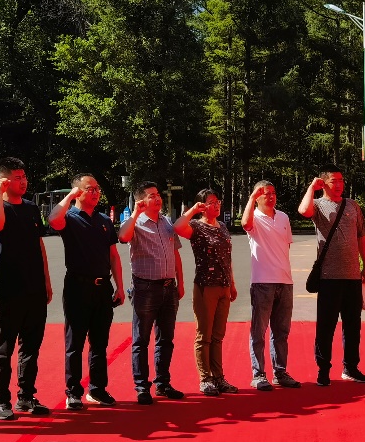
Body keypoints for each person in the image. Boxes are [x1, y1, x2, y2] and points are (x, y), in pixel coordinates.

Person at [0, 157, 54, 420]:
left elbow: (39, 245)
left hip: (34, 289)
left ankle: (26, 396)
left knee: (31, 347)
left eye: (24, 177)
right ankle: (1, 400)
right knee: (4, 348)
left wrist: (46, 280)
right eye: (17, 177)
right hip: (8, 289)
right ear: (3, 180)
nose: (23, 182)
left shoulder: (31, 208)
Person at [47, 173, 125, 411]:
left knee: (100, 342)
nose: (96, 192)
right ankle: (73, 392)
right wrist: (70, 196)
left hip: (103, 288)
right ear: (78, 192)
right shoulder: (69, 218)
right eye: (90, 189)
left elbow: (113, 255)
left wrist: (120, 287)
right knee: (75, 343)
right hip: (77, 287)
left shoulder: (104, 220)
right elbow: (53, 220)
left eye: (97, 189)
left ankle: (97, 389)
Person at [298, 165, 365, 386]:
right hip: (328, 277)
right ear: (324, 183)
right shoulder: (318, 205)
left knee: (353, 325)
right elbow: (303, 211)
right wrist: (311, 187)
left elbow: (361, 238)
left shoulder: (352, 205)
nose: (339, 184)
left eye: (341, 180)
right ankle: (323, 369)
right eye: (334, 181)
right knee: (326, 326)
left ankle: (351, 367)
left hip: (352, 276)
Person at [118, 181, 186, 404]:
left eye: (157, 194)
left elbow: (175, 253)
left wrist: (180, 282)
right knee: (141, 340)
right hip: (145, 288)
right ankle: (141, 386)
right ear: (141, 201)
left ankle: (163, 383)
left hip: (169, 287)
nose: (157, 198)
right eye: (151, 196)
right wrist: (135, 213)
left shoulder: (166, 222)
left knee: (166, 339)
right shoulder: (135, 223)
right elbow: (123, 237)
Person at [174, 188, 238, 396]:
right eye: (211, 202)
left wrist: (232, 284)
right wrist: (193, 210)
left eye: (217, 201)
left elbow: (227, 258)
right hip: (205, 286)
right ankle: (205, 378)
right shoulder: (196, 226)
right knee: (204, 335)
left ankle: (219, 377)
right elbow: (177, 227)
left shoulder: (223, 226)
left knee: (218, 336)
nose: (216, 205)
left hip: (223, 285)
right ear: (202, 206)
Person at [241, 180, 299, 390]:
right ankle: (258, 374)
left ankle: (280, 372)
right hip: (262, 282)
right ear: (257, 197)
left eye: (273, 192)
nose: (271, 196)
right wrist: (251, 198)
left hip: (285, 281)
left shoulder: (283, 217)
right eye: (265, 193)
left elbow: (286, 247)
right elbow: (245, 224)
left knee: (281, 332)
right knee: (259, 331)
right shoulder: (254, 217)